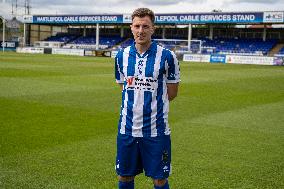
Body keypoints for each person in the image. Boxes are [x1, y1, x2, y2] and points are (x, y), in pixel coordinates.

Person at [114, 8, 180, 189]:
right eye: (137, 26)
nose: (141, 30)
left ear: (153, 29)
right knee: (124, 176)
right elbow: (124, 88)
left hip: (156, 130)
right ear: (131, 28)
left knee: (159, 179)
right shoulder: (121, 56)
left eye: (145, 26)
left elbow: (172, 93)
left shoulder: (167, 56)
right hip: (127, 128)